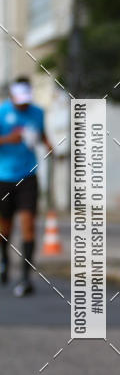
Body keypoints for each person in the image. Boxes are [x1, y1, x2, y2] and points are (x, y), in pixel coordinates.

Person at [0, 78, 52, 297]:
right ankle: (4, 261)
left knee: (28, 225)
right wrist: (7, 139)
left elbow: (41, 134)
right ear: (12, 96)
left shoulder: (38, 112)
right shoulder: (2, 112)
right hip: (3, 177)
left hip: (28, 176)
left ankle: (25, 278)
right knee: (5, 228)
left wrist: (50, 146)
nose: (23, 104)